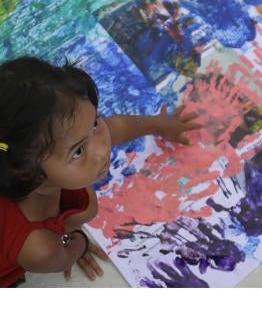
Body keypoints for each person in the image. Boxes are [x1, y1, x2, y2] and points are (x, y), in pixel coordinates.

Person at [0, 56, 202, 287]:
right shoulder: (38, 245)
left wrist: (159, 124)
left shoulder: (53, 144)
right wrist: (76, 245)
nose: (101, 150)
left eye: (95, 123)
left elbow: (117, 127)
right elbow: (61, 256)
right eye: (77, 152)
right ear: (26, 171)